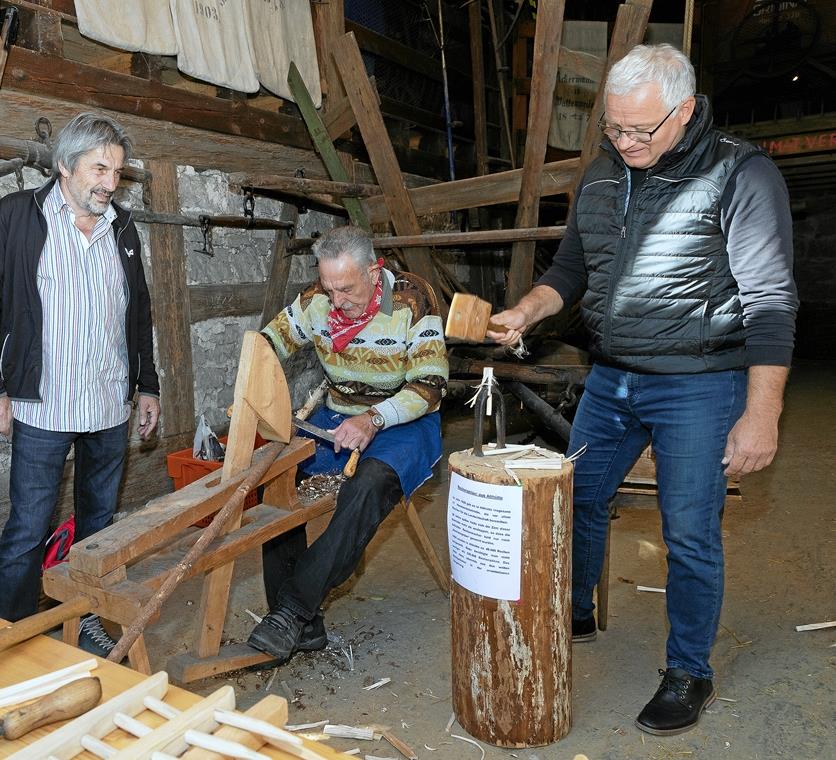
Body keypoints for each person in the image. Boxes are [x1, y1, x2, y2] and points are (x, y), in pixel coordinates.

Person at [489, 44, 798, 736]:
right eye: (614, 128)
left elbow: (772, 302)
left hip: (699, 383)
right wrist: (526, 311)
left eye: (641, 131)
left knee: (688, 532)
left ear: (685, 112)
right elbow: (569, 270)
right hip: (612, 376)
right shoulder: (602, 174)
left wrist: (762, 414)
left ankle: (690, 671)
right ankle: (577, 608)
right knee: (577, 494)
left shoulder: (741, 176)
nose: (625, 142)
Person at [0, 112, 160, 656]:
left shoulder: (123, 229)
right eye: (99, 168)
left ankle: (86, 620)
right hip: (42, 405)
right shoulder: (16, 218)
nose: (109, 182)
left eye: (117, 171)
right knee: (28, 529)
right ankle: (8, 637)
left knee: (98, 529)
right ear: (64, 166)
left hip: (105, 405)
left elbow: (137, 311)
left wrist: (148, 385)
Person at [248, 225, 449, 663]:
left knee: (368, 484)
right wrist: (252, 387)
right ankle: (307, 626)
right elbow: (266, 344)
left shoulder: (413, 300)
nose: (336, 301)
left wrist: (374, 418)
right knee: (278, 480)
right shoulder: (317, 299)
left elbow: (430, 386)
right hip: (337, 413)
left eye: (346, 289)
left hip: (403, 417)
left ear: (374, 273)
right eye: (329, 287)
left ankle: (292, 610)